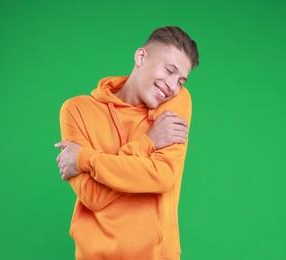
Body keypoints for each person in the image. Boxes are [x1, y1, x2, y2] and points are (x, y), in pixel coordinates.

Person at [55, 26, 199, 259]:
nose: (172, 86)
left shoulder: (175, 103)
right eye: (169, 70)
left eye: (181, 80)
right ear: (141, 56)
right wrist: (148, 142)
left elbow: (162, 176)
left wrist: (84, 158)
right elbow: (93, 196)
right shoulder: (77, 110)